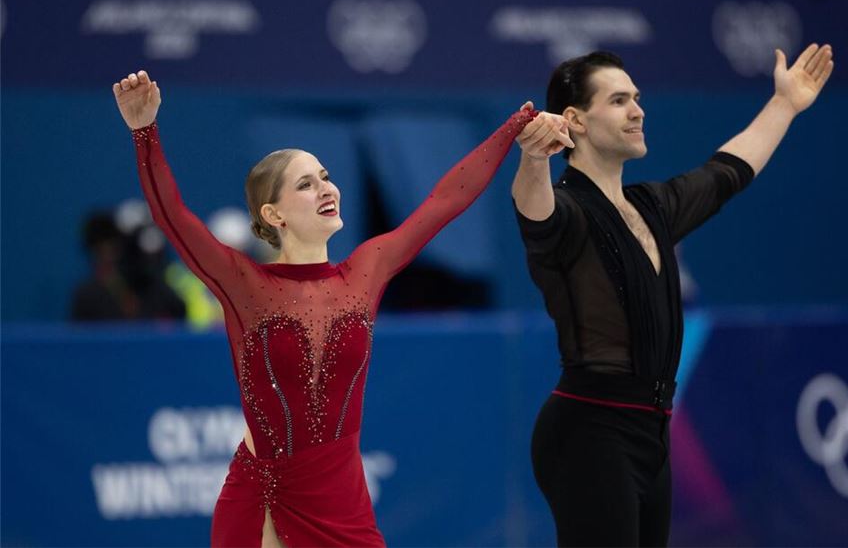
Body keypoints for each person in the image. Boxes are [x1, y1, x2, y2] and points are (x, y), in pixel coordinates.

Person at [113, 70, 560, 547]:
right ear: (274, 214)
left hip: (341, 501)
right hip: (263, 498)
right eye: (306, 184)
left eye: (326, 177)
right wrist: (145, 132)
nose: (327, 188)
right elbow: (172, 217)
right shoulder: (245, 285)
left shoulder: (365, 270)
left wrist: (513, 126)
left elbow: (445, 199)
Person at [512, 44, 834, 546]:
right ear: (574, 119)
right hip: (589, 431)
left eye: (637, 97)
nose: (638, 109)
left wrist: (785, 104)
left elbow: (727, 171)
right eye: (619, 100)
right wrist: (534, 157)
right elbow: (535, 210)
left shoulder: (653, 206)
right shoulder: (569, 212)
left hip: (652, 432)